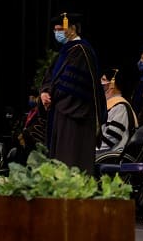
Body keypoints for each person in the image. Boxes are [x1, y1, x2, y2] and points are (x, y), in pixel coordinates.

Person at [39, 12, 106, 176]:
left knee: (71, 163)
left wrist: (53, 96)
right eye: (55, 29)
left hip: (75, 117)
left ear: (73, 28)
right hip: (61, 112)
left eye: (60, 29)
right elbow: (50, 79)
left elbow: (72, 86)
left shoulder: (81, 51)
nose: (57, 33)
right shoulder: (64, 52)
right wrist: (44, 93)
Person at [96, 68, 138, 155]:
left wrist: (90, 150)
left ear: (112, 84)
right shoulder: (110, 105)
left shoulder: (120, 107)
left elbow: (111, 139)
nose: (101, 83)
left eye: (104, 80)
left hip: (110, 157)